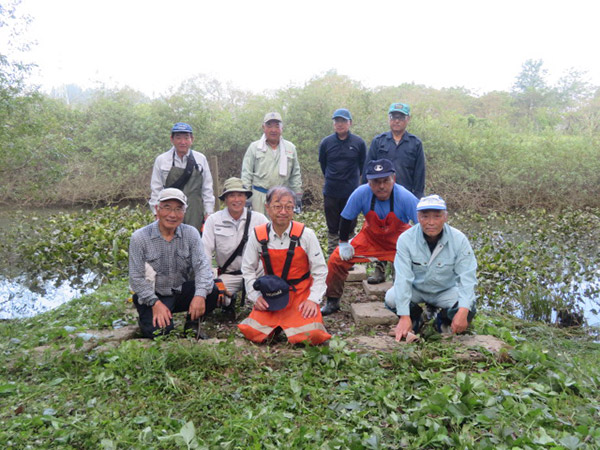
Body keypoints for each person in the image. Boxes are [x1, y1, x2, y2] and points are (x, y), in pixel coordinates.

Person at [321, 159, 419, 316]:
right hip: (370, 239)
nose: (381, 186)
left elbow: (421, 224)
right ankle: (332, 300)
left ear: (393, 179)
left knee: (417, 266)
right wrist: (344, 243)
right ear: (369, 182)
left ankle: (409, 302)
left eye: (385, 181)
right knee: (336, 259)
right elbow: (346, 218)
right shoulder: (361, 193)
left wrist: (418, 250)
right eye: (376, 182)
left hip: (398, 242)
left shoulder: (406, 197)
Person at [238, 186, 330, 344]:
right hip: (272, 294)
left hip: (300, 294)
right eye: (277, 206)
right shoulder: (258, 235)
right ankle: (275, 325)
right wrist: (255, 296)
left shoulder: (306, 235)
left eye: (289, 207)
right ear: (267, 208)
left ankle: (290, 325)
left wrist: (313, 299)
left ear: (294, 208)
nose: (283, 211)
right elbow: (247, 269)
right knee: (252, 332)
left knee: (312, 335)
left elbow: (320, 271)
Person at [129, 188, 220, 339]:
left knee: (212, 291)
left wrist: (199, 295)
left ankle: (192, 324)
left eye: (178, 209)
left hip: (179, 291)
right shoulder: (139, 238)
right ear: (157, 209)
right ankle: (147, 316)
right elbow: (136, 278)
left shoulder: (191, 233)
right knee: (160, 333)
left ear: (184, 212)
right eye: (167, 208)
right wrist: (155, 303)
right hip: (154, 295)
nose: (172, 214)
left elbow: (202, 266)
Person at [385, 195, 477, 341]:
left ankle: (442, 321)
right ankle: (415, 319)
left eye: (437, 216)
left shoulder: (459, 239)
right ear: (418, 217)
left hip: (445, 290)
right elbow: (403, 278)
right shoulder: (406, 239)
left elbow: (467, 277)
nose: (431, 223)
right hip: (417, 288)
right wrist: (403, 316)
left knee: (469, 304)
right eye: (425, 216)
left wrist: (463, 311)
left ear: (445, 217)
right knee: (391, 298)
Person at [362, 103, 426, 284]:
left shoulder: (415, 143)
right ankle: (379, 270)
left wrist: (418, 199)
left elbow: (420, 172)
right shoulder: (379, 141)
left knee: (403, 235)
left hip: (404, 199)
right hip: (380, 196)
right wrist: (365, 194)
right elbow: (368, 169)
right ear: (389, 119)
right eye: (393, 117)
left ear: (408, 119)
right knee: (379, 233)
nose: (396, 121)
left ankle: (400, 271)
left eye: (400, 117)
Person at [202, 177, 268, 310]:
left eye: (240, 195)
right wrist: (213, 281)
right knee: (213, 298)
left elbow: (273, 248)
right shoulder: (213, 220)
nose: (236, 200)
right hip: (229, 274)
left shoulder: (259, 219)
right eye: (232, 195)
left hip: (257, 272)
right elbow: (205, 254)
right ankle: (229, 299)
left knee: (275, 289)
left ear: (245, 198)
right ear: (225, 199)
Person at [149, 122, 215, 233]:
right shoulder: (162, 160)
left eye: (186, 138)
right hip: (170, 210)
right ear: (172, 139)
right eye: (178, 138)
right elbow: (156, 189)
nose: (182, 142)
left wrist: (209, 213)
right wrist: (156, 213)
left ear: (192, 139)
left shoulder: (201, 159)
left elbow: (207, 189)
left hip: (194, 209)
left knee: (193, 239)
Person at [318, 108, 367, 256]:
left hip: (351, 192)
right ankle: (333, 256)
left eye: (343, 121)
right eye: (337, 121)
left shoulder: (359, 143)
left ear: (350, 123)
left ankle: (348, 257)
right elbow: (323, 165)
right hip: (331, 191)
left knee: (349, 226)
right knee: (332, 227)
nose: (340, 124)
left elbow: (363, 166)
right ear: (333, 124)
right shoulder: (326, 143)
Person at [241, 112, 302, 216]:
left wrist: (297, 195)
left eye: (277, 126)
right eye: (269, 125)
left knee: (281, 227)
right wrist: (246, 197)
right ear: (263, 127)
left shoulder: (290, 148)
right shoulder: (254, 147)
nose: (273, 130)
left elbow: (295, 174)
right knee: (259, 228)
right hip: (259, 197)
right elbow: (246, 173)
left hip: (282, 197)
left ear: (282, 128)